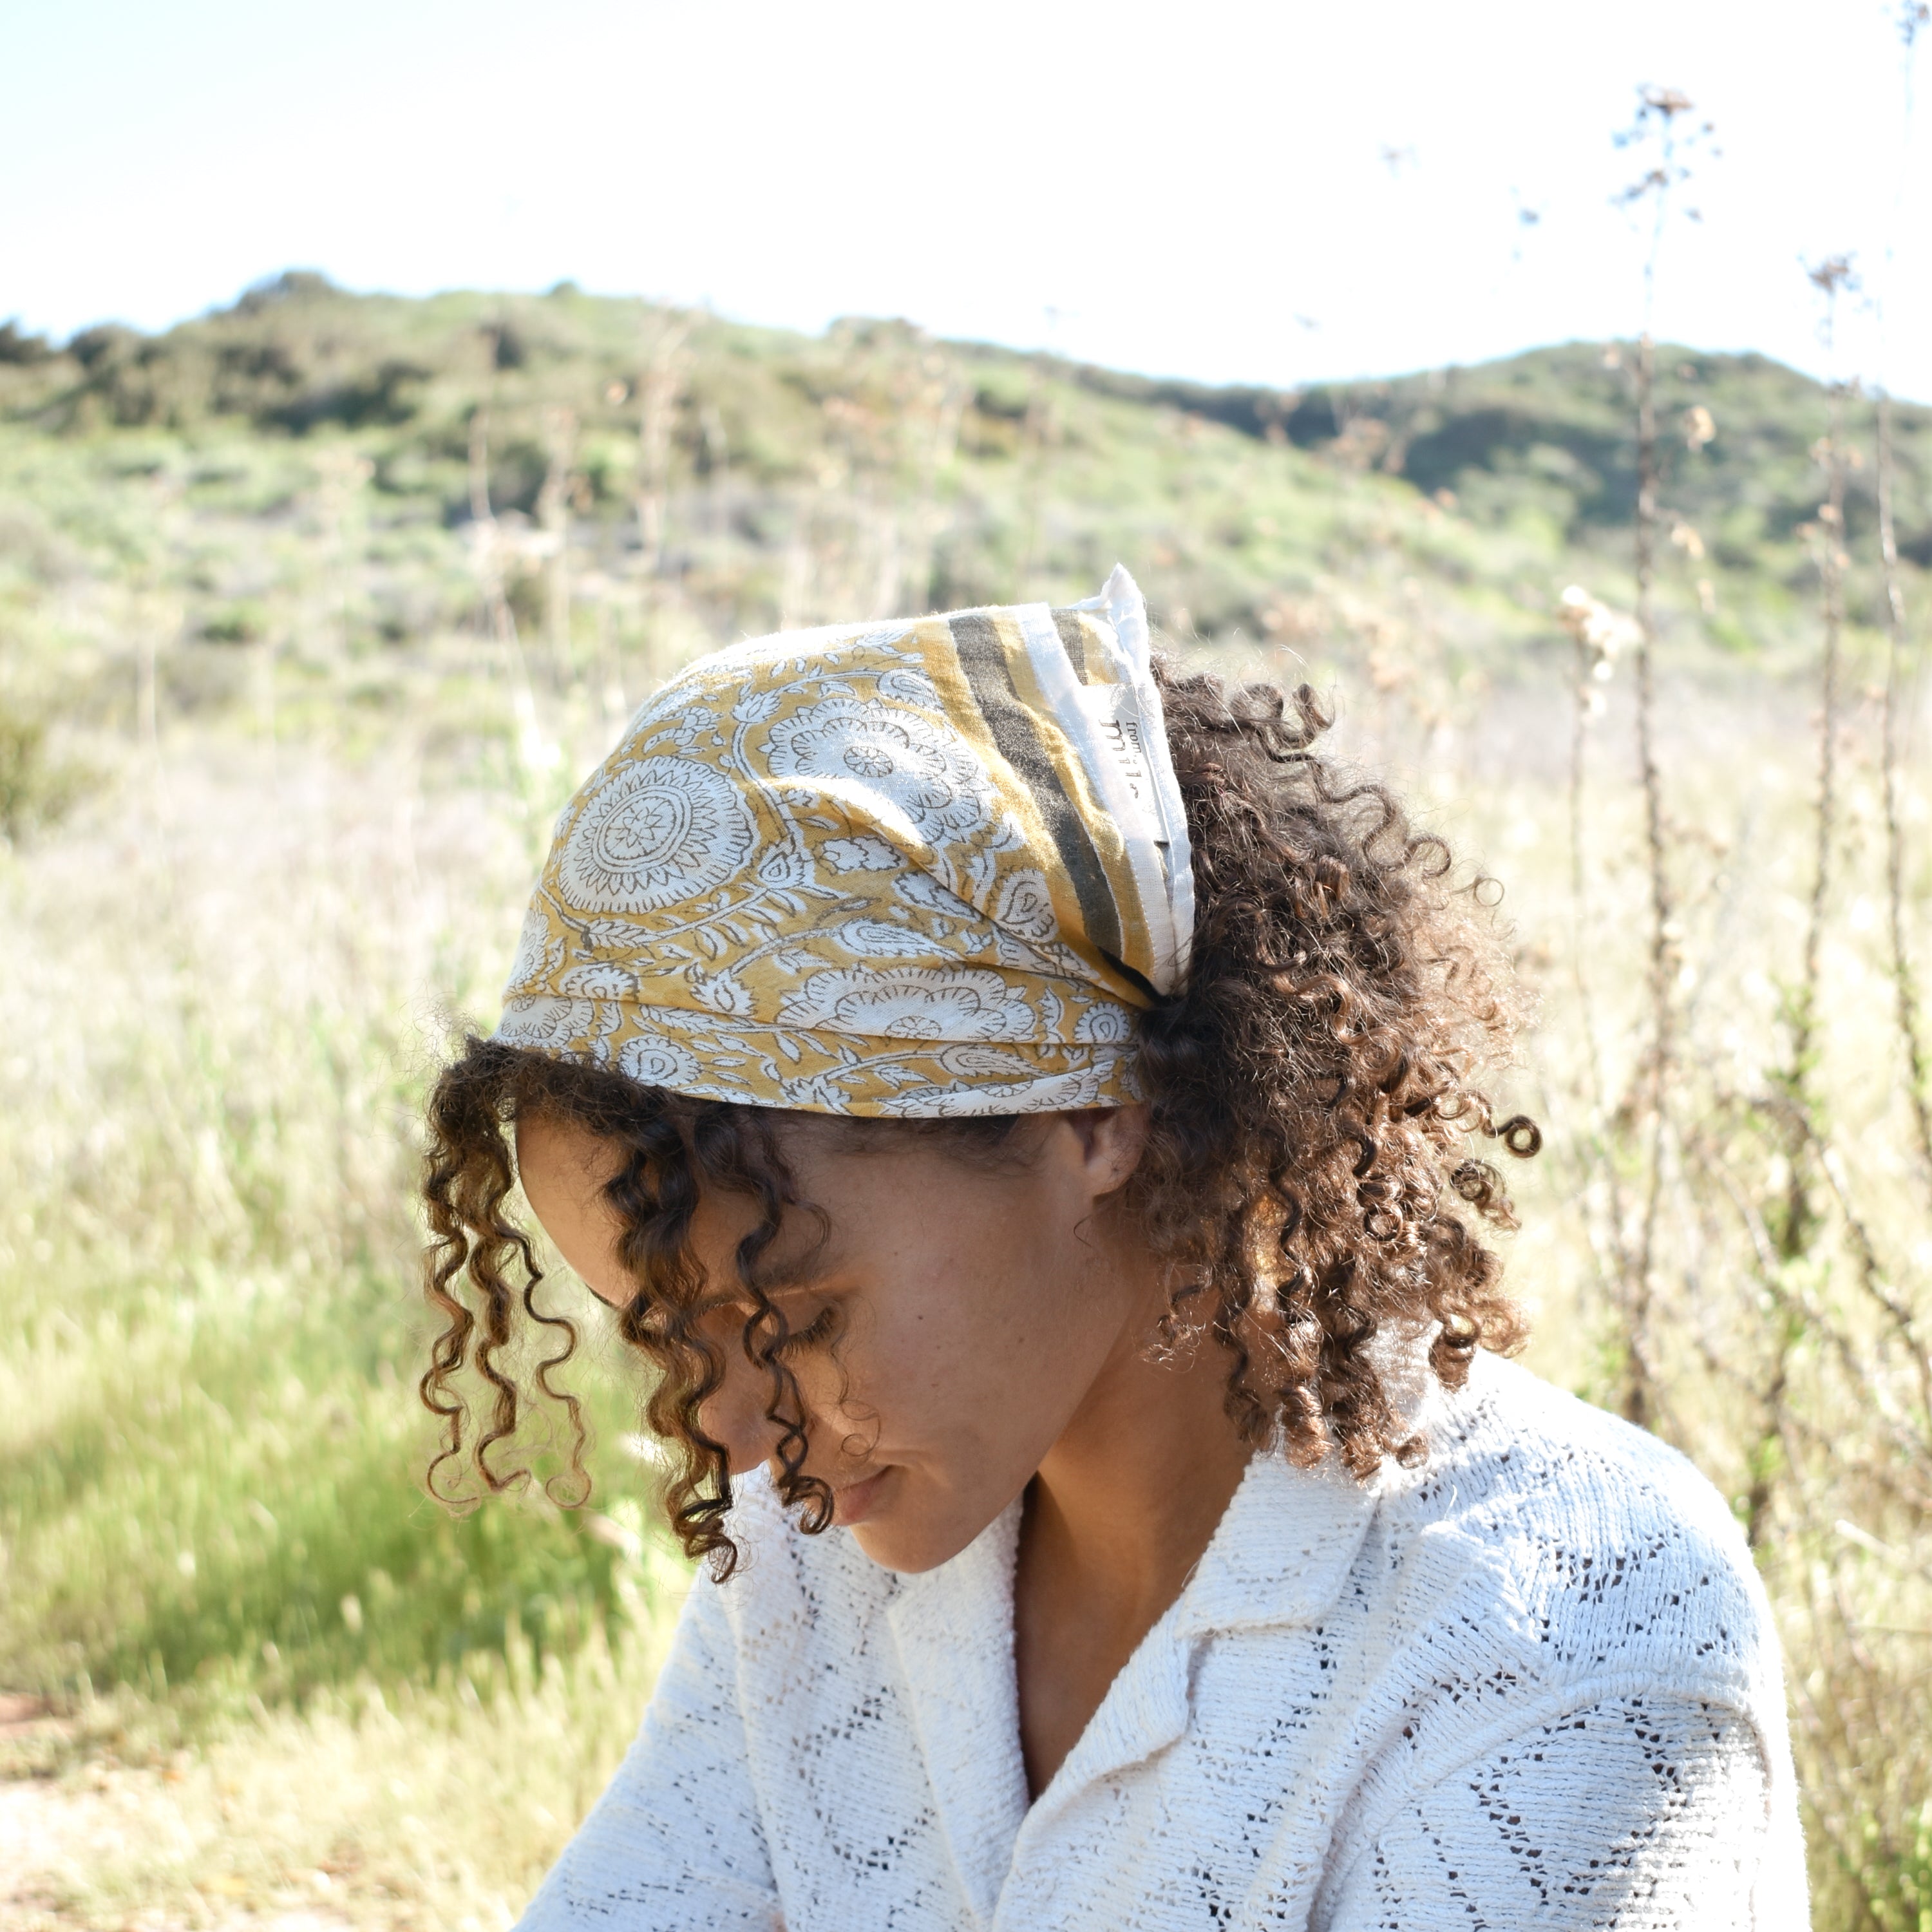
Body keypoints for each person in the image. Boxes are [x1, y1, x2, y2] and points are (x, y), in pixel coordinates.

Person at [420, 569, 1804, 1929]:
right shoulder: (819, 1574)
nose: (731, 1436)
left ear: (1091, 1113)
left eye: (791, 1314)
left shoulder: (1569, 1636)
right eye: (660, 1334)